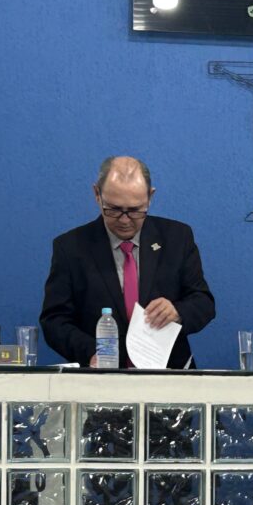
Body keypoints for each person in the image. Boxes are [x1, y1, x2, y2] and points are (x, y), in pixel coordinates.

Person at [40, 156, 215, 368]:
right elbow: (55, 321)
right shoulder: (70, 248)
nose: (124, 220)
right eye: (113, 209)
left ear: (150, 197)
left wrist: (177, 312)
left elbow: (203, 303)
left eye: (134, 210)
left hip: (170, 374)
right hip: (101, 376)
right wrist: (91, 352)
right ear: (97, 194)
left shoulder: (177, 238)